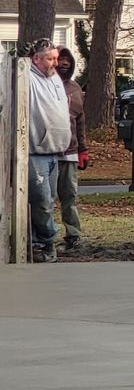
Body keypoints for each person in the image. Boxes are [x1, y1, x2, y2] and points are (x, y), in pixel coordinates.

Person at [23, 38, 70, 263]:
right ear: (36, 59)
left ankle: (40, 242)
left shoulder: (56, 80)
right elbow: (10, 73)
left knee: (49, 200)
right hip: (36, 151)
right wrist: (19, 59)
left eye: (56, 58)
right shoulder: (28, 77)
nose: (55, 63)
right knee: (41, 200)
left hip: (55, 150)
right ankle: (45, 241)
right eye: (50, 59)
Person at [55, 46, 87, 254]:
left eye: (68, 60)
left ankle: (73, 234)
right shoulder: (44, 85)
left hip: (70, 152)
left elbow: (80, 121)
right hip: (46, 151)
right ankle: (43, 236)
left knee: (69, 196)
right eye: (60, 59)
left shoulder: (75, 89)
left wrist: (83, 149)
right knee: (44, 198)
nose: (64, 63)